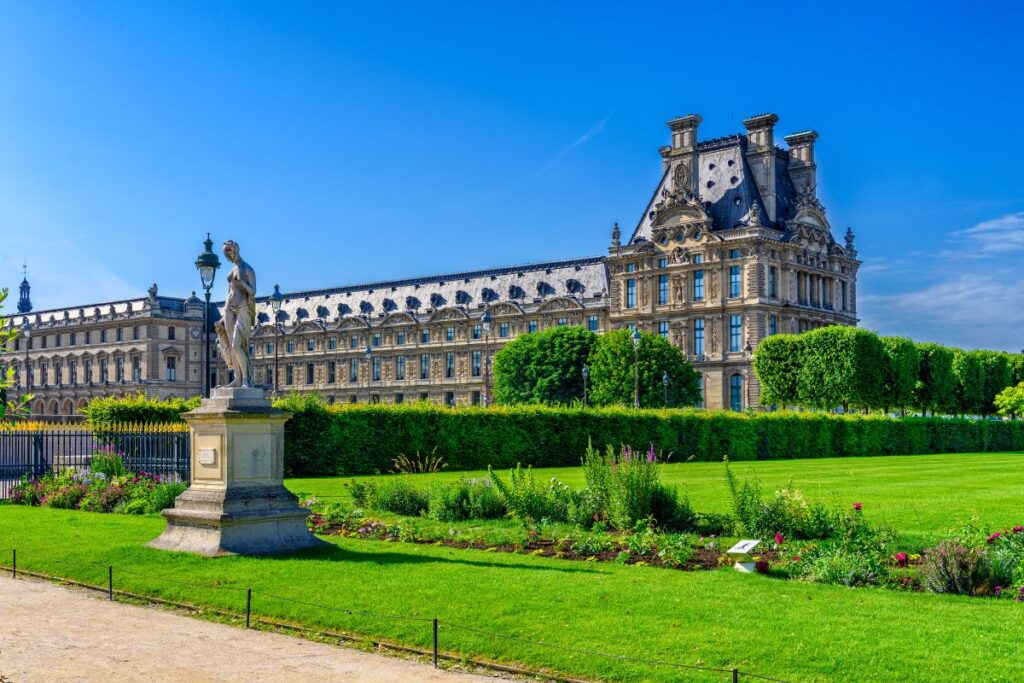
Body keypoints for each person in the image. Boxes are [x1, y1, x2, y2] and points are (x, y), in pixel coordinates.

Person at [215, 240, 256, 388]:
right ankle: (237, 379)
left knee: (237, 344)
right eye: (226, 252)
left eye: (231, 250)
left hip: (243, 309)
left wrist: (242, 283)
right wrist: (222, 317)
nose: (230, 254)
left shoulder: (247, 269)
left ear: (237, 249)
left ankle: (245, 380)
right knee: (232, 347)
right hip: (229, 309)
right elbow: (229, 292)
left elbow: (253, 291)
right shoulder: (232, 270)